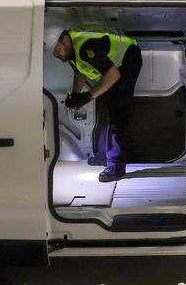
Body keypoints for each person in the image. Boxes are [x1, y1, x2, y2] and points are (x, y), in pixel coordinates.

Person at [47, 26, 142, 182]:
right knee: (104, 108)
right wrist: (75, 94)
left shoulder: (86, 47)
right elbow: (79, 72)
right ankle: (103, 156)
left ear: (64, 39)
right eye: (54, 52)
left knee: (117, 110)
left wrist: (87, 96)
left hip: (128, 59)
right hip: (116, 67)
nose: (57, 54)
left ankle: (116, 166)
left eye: (57, 49)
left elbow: (113, 75)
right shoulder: (71, 51)